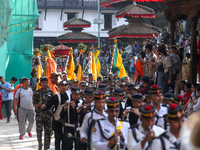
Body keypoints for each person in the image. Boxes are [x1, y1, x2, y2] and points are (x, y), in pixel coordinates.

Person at [41, 80, 70, 150]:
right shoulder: (55, 97)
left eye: (65, 86)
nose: (63, 87)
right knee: (57, 139)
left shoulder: (70, 96)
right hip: (57, 121)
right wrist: (43, 108)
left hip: (67, 121)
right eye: (62, 86)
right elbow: (48, 105)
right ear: (59, 87)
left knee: (65, 139)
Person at [33, 77, 54, 150]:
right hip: (39, 115)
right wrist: (38, 105)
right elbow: (33, 104)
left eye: (46, 82)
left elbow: (53, 103)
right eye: (43, 83)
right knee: (39, 131)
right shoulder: (36, 92)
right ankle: (40, 145)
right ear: (40, 83)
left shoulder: (51, 92)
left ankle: (46, 147)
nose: (45, 84)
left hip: (48, 115)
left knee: (48, 132)